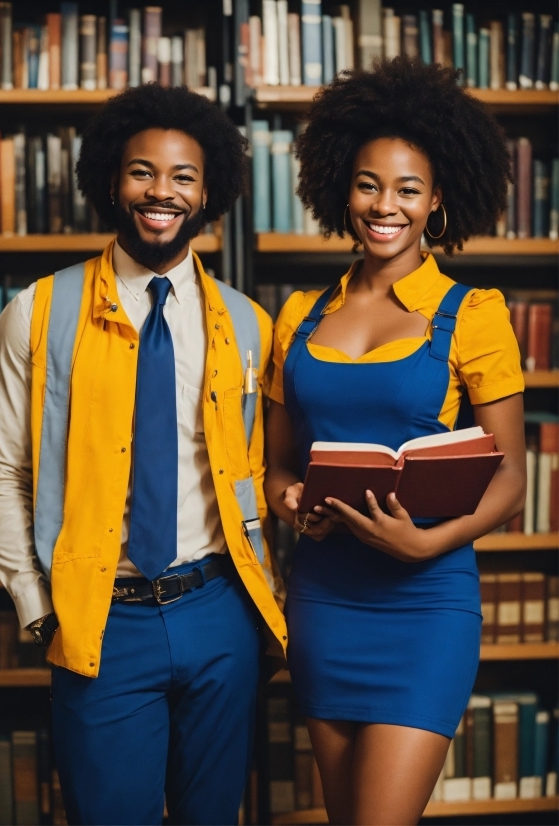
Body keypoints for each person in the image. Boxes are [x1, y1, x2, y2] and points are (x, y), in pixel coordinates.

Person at [0, 84, 286, 826]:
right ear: (112, 183)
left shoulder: (248, 324)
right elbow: (0, 472)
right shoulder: (39, 311)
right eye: (142, 171)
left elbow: (258, 475)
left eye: (184, 176)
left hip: (221, 613)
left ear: (209, 192)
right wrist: (40, 611)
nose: (162, 191)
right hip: (101, 620)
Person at [264, 58, 526, 826]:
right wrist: (287, 502)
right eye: (369, 185)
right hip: (322, 598)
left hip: (425, 602)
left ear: (437, 199)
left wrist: (423, 546)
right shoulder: (299, 318)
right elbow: (277, 465)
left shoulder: (472, 313)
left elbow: (509, 479)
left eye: (408, 189)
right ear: (341, 189)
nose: (386, 206)